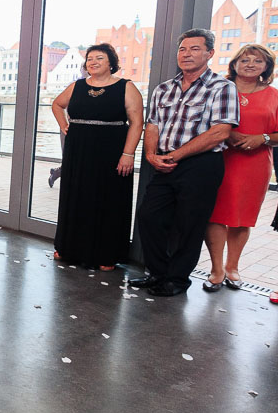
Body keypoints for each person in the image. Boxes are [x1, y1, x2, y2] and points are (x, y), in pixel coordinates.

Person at [131, 29, 239, 297]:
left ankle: (177, 280)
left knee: (190, 224)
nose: (187, 54)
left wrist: (176, 155)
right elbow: (153, 124)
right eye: (182, 49)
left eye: (194, 49)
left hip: (201, 165)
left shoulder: (222, 87)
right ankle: (156, 273)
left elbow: (220, 132)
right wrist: (150, 155)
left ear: (209, 53)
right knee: (149, 217)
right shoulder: (164, 89)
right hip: (164, 162)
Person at [50, 43, 143, 270]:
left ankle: (106, 255)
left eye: (99, 58)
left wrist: (128, 154)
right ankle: (68, 248)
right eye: (90, 58)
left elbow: (137, 123)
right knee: (75, 197)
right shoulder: (77, 86)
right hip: (78, 151)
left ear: (111, 63)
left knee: (108, 200)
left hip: (110, 152)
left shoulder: (126, 87)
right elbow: (57, 104)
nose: (93, 62)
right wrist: (64, 124)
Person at [203, 44, 278, 291]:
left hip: (255, 163)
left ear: (266, 67)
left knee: (242, 218)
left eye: (257, 61)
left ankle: (232, 267)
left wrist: (263, 138)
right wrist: (227, 134)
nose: (250, 64)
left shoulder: (273, 95)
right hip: (220, 158)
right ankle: (216, 269)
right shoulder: (218, 89)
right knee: (216, 214)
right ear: (234, 63)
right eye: (245, 60)